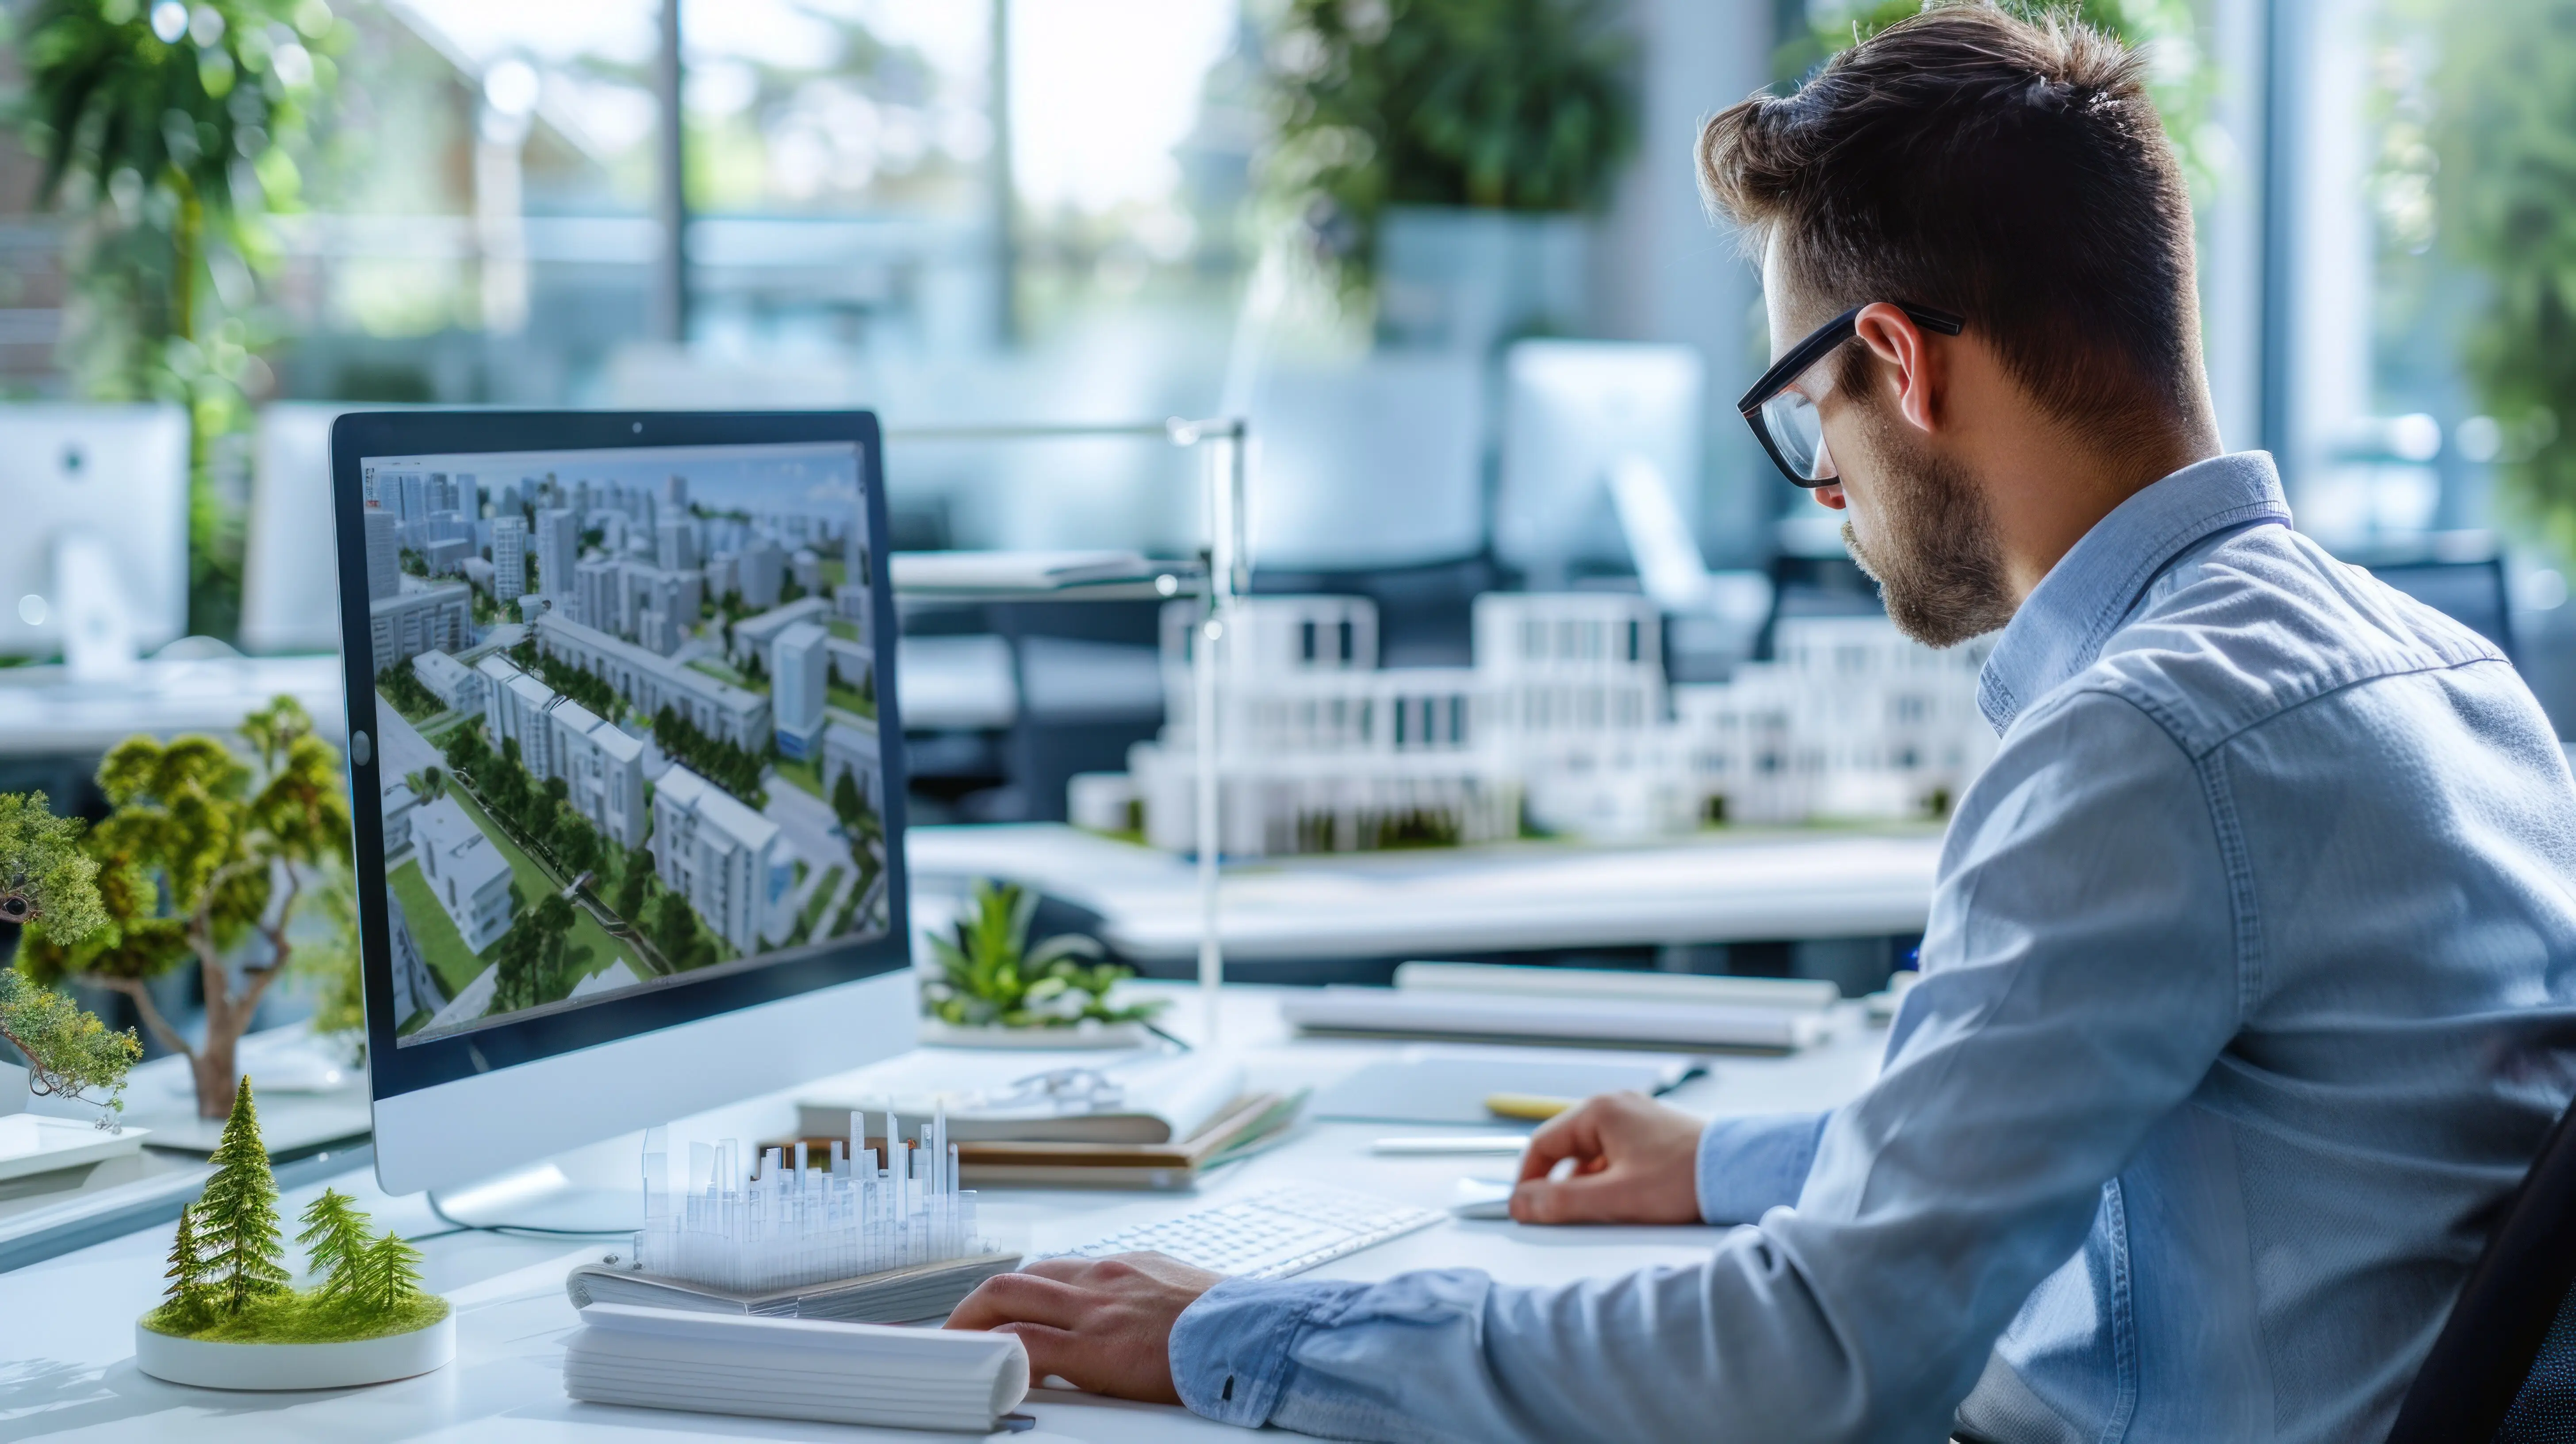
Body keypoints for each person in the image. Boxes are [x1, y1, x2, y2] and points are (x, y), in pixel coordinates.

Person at [945, 7, 2576, 1440]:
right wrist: (1724, 1166)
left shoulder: (2144, 749)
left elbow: (1807, 1372)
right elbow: (2133, 1138)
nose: (1829, 495)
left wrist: (1230, 1331)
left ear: (1896, 363)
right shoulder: (2446, 675)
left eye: (1810, 419)